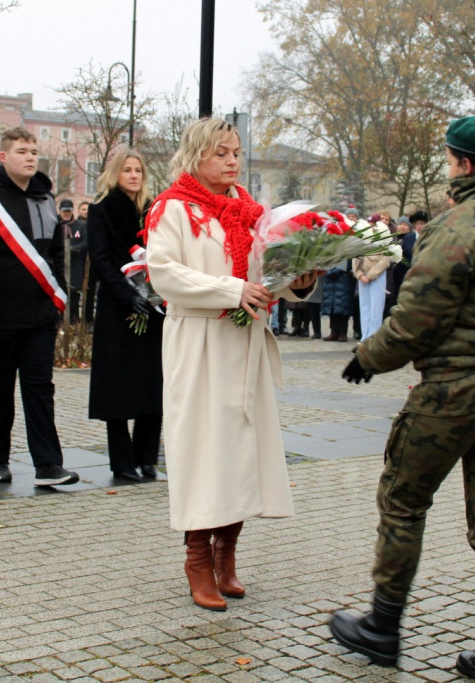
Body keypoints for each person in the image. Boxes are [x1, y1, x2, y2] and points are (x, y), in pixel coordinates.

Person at [331, 115, 475, 683]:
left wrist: (368, 357)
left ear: (464, 164)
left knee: (403, 500)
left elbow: (415, 322)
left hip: (455, 392)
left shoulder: (455, 228)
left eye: (450, 159)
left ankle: (383, 627)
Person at [145, 118, 318, 612]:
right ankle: (197, 559)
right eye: (221, 152)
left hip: (244, 341)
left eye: (236, 152)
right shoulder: (172, 207)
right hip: (198, 341)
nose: (232, 161)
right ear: (196, 155)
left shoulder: (249, 211)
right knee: (202, 449)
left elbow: (265, 276)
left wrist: (299, 279)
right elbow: (165, 273)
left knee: (242, 448)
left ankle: (227, 555)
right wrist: (230, 290)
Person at [0, 127, 79, 487]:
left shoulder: (45, 198)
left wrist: (57, 296)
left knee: (40, 389)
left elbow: (55, 254)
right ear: (3, 156)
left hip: (40, 314)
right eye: (22, 151)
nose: (30, 157)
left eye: (33, 152)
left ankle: (48, 465)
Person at [87, 148, 163, 482]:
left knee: (153, 385)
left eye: (138, 170)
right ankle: (121, 462)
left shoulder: (153, 209)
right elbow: (101, 258)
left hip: (154, 304)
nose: (134, 175)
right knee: (117, 388)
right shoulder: (101, 209)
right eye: (127, 170)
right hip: (118, 307)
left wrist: (155, 292)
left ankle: (147, 458)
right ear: (115, 173)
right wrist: (127, 294)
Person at [353, 220, 391, 341]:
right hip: (363, 278)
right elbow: (355, 261)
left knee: (376, 308)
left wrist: (370, 275)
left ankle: (373, 336)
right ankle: (365, 336)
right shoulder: (361, 243)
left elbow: (385, 261)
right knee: (364, 308)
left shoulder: (383, 242)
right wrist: (359, 275)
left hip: (377, 277)